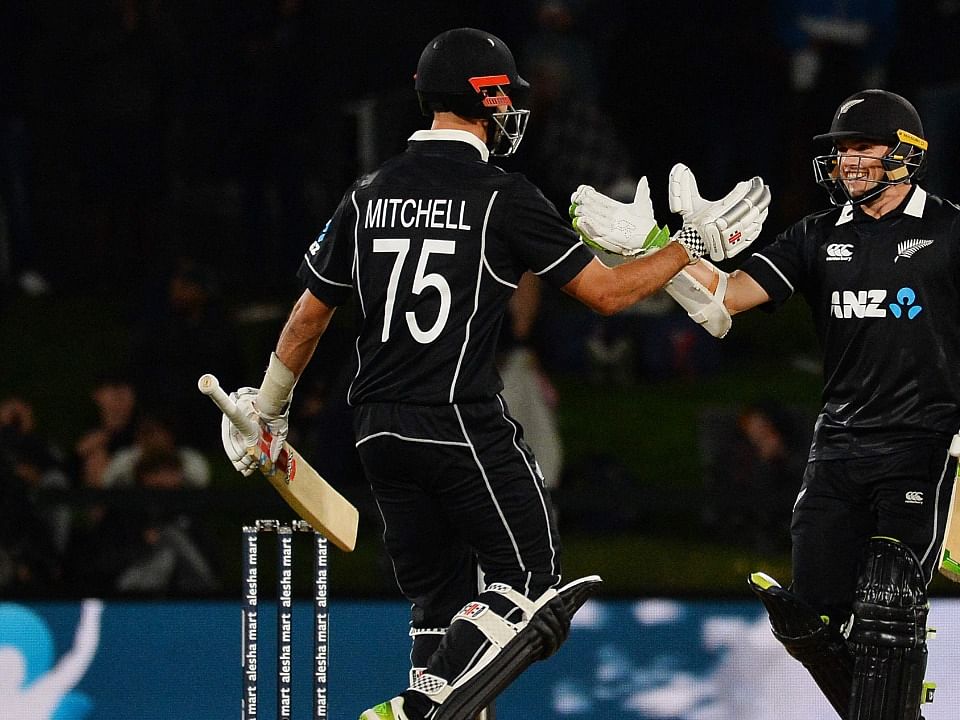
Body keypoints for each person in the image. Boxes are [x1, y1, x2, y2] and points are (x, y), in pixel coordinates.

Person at [212, 27, 769, 720]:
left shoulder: (366, 192)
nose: (511, 110)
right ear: (484, 98)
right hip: (455, 417)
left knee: (440, 609)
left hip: (375, 427)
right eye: (505, 95)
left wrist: (268, 411)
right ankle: (416, 712)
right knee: (531, 583)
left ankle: (426, 699)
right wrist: (693, 244)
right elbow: (611, 294)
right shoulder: (502, 194)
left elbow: (305, 318)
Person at [573, 88, 960, 719]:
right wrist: (653, 245)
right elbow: (723, 300)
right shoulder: (816, 235)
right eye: (841, 151)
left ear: (906, 153)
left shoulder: (956, 229)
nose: (848, 163)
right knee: (807, 616)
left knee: (890, 596)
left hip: (922, 443)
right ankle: (898, 705)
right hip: (838, 446)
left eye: (862, 149)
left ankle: (894, 683)